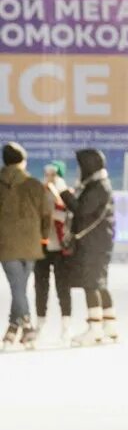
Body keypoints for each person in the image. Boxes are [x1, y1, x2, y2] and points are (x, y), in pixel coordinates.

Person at [0, 142, 51, 350]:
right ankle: (26, 328)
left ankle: (14, 329)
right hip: (31, 243)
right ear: (22, 161)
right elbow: (46, 213)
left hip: (6, 243)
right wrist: (44, 237)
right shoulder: (34, 184)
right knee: (19, 287)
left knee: (17, 287)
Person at [66, 149, 118, 346]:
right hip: (100, 241)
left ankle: (95, 328)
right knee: (99, 282)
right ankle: (109, 324)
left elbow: (81, 210)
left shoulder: (98, 187)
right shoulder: (98, 185)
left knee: (92, 283)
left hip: (94, 243)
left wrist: (62, 192)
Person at [34, 161, 74, 343]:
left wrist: (55, 212)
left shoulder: (67, 194)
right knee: (41, 287)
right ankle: (40, 323)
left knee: (62, 287)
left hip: (61, 249)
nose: (49, 177)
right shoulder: (39, 193)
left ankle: (66, 325)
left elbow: (70, 215)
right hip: (42, 247)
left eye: (53, 174)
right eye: (47, 173)